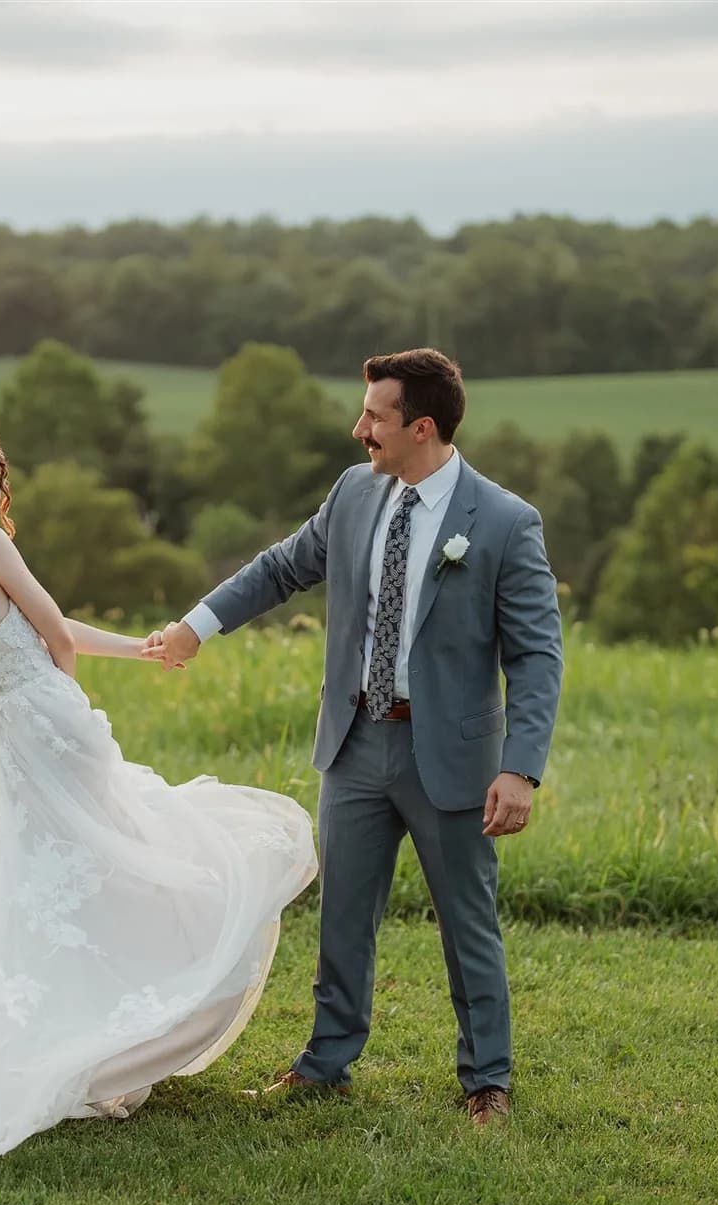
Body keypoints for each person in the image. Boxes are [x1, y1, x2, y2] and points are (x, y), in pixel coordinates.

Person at [0, 423, 317, 1173]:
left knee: (27, 878)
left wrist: (139, 648)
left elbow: (27, 628)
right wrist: (73, 700)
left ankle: (45, 1035)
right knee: (118, 857)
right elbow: (53, 636)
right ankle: (111, 1031)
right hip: (45, 726)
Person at [146, 348, 563, 1126]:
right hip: (355, 743)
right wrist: (196, 627)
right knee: (342, 916)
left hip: (455, 761)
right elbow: (280, 568)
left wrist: (521, 770)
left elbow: (538, 654)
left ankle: (487, 1079)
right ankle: (327, 1063)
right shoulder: (354, 493)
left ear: (423, 426)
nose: (358, 428)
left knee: (468, 922)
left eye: (374, 416)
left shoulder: (504, 523)